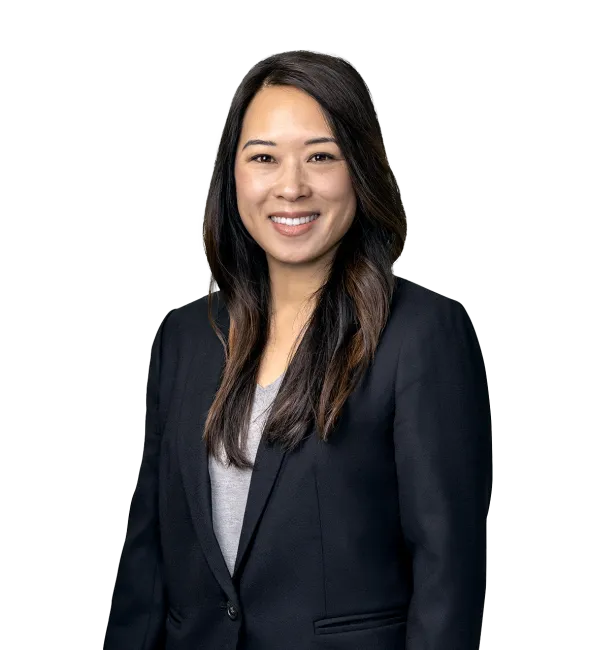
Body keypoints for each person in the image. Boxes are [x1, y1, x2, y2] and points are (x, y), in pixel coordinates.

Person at [103, 49, 492, 650]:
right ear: (233, 175)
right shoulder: (184, 336)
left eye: (321, 156)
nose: (291, 187)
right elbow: (149, 554)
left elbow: (447, 576)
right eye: (264, 157)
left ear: (360, 169)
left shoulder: (423, 334)